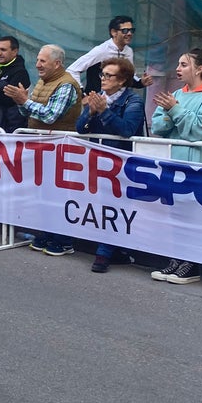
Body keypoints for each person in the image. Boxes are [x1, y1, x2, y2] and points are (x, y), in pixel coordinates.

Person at [148, 48, 202, 285]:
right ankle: (177, 258)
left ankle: (192, 264)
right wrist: (174, 113)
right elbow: (158, 126)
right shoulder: (176, 94)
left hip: (198, 168)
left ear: (199, 69)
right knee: (177, 214)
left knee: (195, 216)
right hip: (176, 165)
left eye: (183, 64)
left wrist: (174, 110)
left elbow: (199, 130)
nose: (178, 69)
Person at [3, 44, 83, 255]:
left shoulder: (66, 85)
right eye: (38, 60)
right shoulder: (43, 81)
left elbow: (50, 116)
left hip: (62, 149)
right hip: (43, 147)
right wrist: (21, 101)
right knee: (43, 193)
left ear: (57, 64)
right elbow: (31, 113)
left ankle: (63, 240)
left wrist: (25, 101)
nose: (37, 65)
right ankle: (47, 233)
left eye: (42, 61)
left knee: (59, 195)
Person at [76, 57, 144, 272]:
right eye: (102, 75)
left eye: (109, 75)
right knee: (102, 204)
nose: (103, 79)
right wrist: (91, 111)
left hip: (121, 161)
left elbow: (127, 130)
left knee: (115, 205)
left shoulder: (133, 100)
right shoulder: (99, 97)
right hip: (99, 159)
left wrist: (105, 112)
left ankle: (103, 254)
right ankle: (119, 251)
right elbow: (80, 128)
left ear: (122, 80)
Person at [67, 16, 155, 94]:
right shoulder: (101, 50)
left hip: (119, 101)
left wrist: (141, 83)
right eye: (125, 30)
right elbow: (72, 70)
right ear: (113, 32)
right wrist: (82, 94)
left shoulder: (129, 51)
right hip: (97, 101)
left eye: (132, 30)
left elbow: (129, 77)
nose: (129, 34)